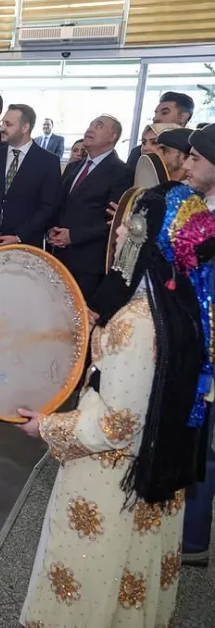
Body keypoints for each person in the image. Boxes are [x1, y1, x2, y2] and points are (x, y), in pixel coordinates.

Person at [16, 182, 215, 627]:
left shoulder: (138, 324)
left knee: (90, 579)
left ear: (153, 240)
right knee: (133, 578)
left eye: (130, 227)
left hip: (112, 480)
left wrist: (47, 427)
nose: (119, 234)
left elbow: (117, 424)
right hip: (154, 470)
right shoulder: (183, 305)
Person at [49, 115, 131, 301]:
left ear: (112, 137)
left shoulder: (121, 171)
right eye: (90, 124)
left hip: (88, 263)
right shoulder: (73, 167)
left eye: (99, 126)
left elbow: (114, 220)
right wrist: (52, 228)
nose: (90, 128)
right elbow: (61, 204)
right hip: (59, 255)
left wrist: (74, 236)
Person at [182, 123, 215, 566]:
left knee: (205, 446)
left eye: (195, 158)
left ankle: (192, 541)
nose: (186, 164)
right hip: (196, 343)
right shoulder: (201, 209)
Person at [0, 103, 62, 251]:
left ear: (25, 128)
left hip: (25, 247)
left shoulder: (48, 162)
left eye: (8, 124)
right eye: (2, 123)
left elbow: (48, 207)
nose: (1, 128)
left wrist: (19, 236)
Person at [128, 91, 195, 166]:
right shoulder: (138, 152)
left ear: (183, 117)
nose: (155, 118)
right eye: (156, 113)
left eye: (164, 113)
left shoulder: (195, 151)